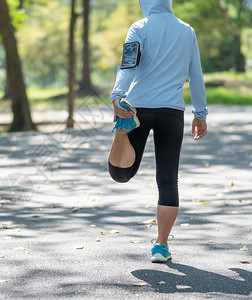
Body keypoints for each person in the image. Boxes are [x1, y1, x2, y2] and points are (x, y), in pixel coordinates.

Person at [108, 0, 208, 263]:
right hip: (171, 112)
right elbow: (195, 75)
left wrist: (118, 96)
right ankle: (161, 246)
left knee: (121, 174)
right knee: (167, 180)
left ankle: (121, 130)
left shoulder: (139, 27)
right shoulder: (187, 31)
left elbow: (128, 64)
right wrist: (200, 113)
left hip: (137, 108)